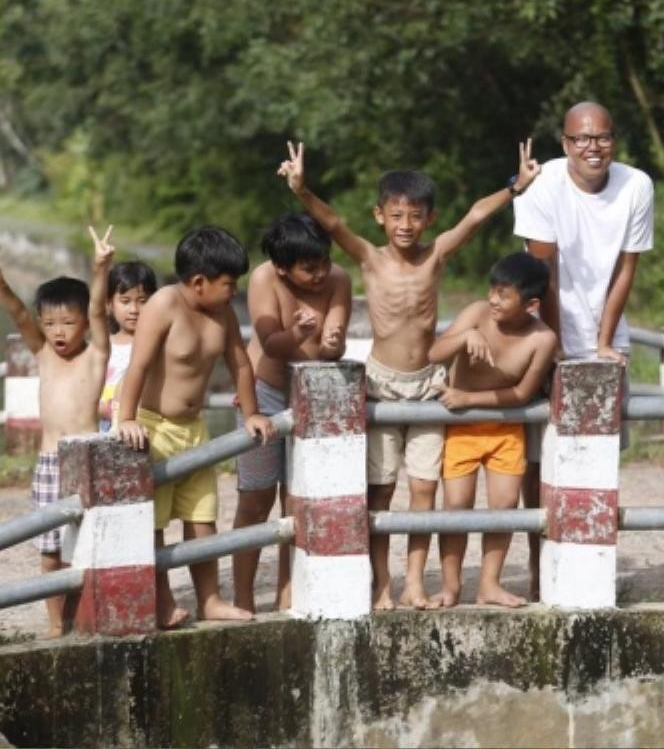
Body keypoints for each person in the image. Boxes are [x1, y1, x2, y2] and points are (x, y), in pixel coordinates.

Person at [278, 139, 541, 609]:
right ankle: (381, 583)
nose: (405, 225)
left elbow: (476, 216)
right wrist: (301, 190)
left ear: (429, 219)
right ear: (380, 216)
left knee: (425, 488)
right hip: (380, 383)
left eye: (415, 216)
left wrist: (514, 187)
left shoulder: (435, 255)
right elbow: (333, 222)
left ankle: (415, 581)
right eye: (396, 216)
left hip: (427, 385)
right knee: (380, 490)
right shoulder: (369, 258)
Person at [513, 101, 654, 598]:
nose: (593, 147)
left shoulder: (636, 185)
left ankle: (592, 567)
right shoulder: (542, 184)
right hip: (545, 327)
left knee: (597, 455)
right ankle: (537, 564)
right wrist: (553, 348)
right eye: (581, 139)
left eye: (602, 137)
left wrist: (601, 342)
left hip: (605, 332)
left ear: (613, 140)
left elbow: (625, 269)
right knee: (538, 457)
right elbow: (541, 275)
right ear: (566, 143)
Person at [117, 226, 276, 627]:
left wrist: (254, 412)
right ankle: (163, 601)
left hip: (195, 430)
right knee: (153, 522)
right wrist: (127, 418)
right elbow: (136, 365)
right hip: (154, 427)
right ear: (199, 282)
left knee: (201, 517)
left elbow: (241, 363)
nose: (233, 291)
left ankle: (210, 600)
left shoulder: (221, 313)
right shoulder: (164, 304)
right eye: (229, 284)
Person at [232, 212, 352, 613]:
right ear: (283, 269)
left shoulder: (339, 279)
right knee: (256, 499)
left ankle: (290, 592)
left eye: (323, 262)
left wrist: (332, 341)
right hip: (265, 393)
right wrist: (301, 334)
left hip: (311, 398)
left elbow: (333, 344)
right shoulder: (265, 279)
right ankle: (243, 596)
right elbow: (271, 343)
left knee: (298, 502)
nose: (320, 274)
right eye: (309, 268)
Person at [0, 226, 114, 636]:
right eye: (50, 323)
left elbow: (101, 309)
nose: (58, 331)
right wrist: (2, 285)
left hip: (85, 459)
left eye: (68, 322)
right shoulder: (43, 353)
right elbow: (17, 313)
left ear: (84, 321)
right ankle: (55, 622)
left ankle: (87, 616)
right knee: (49, 551)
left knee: (85, 547)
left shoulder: (97, 354)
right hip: (50, 462)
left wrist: (101, 268)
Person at [427, 252, 557, 608]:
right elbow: (434, 353)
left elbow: (522, 393)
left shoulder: (542, 339)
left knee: (503, 506)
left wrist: (468, 397)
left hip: (505, 430)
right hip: (462, 429)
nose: (493, 300)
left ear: (531, 304)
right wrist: (464, 336)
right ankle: (450, 587)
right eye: (493, 290)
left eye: (504, 295)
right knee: (457, 506)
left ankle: (489, 584)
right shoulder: (475, 314)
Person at [99, 261, 157, 432]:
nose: (134, 309)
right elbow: (85, 395)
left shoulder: (159, 346)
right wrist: (109, 411)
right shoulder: (102, 348)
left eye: (142, 301)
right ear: (109, 304)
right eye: (125, 301)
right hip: (106, 429)